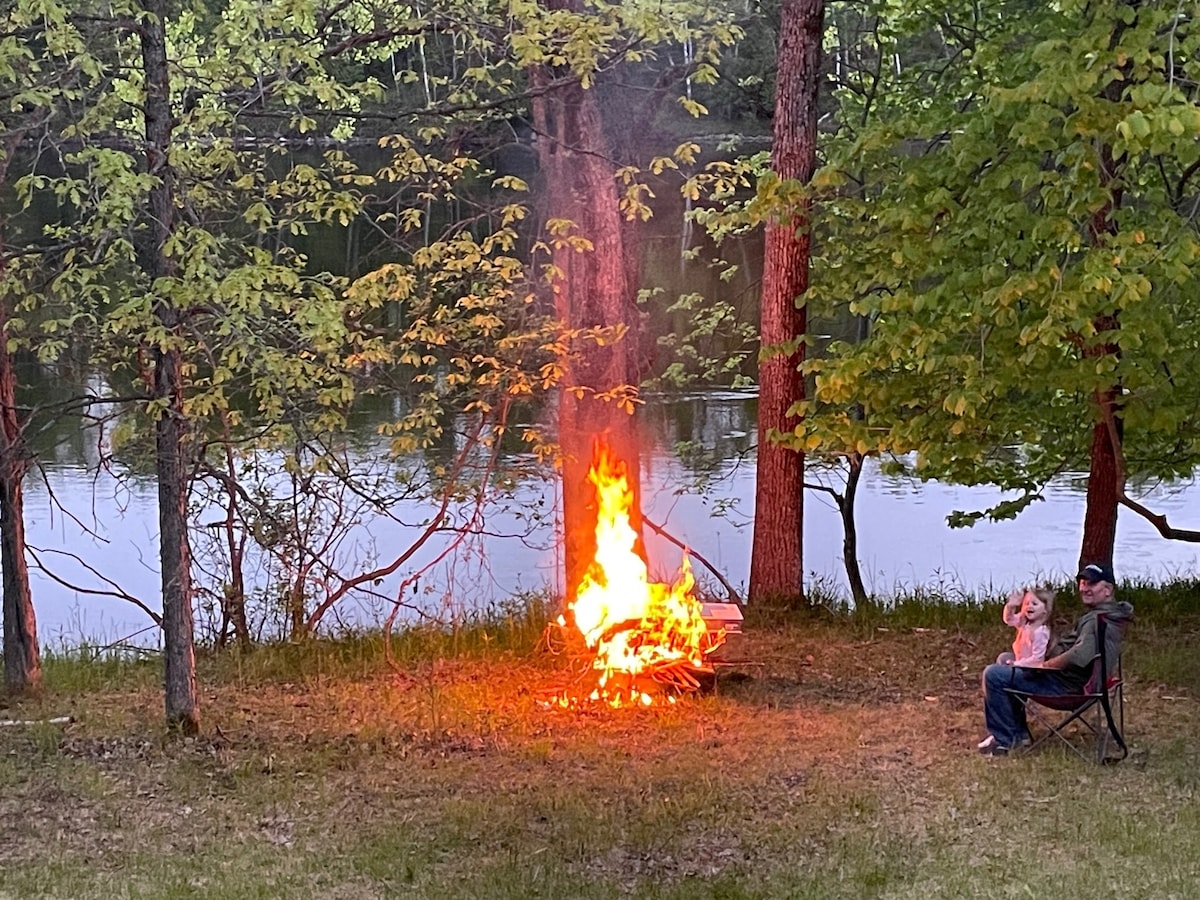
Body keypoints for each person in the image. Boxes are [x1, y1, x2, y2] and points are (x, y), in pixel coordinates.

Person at [977, 562, 1134, 757]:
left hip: (1068, 687)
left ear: (1108, 589)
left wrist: (1045, 665)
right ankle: (1019, 733)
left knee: (993, 674)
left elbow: (1080, 655)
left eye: (1091, 584)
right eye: (1082, 582)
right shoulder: (1109, 615)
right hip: (1076, 679)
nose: (1084, 588)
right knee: (1005, 659)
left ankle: (1006, 740)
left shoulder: (1097, 620)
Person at [996, 587, 1054, 667]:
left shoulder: (1040, 632)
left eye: (1034, 604)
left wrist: (1016, 664)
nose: (1029, 606)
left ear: (1045, 610)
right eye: (1026, 603)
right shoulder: (1023, 622)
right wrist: (1011, 606)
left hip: (1030, 669)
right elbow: (1008, 619)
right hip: (1019, 660)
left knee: (1003, 664)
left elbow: (1037, 659)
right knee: (1003, 657)